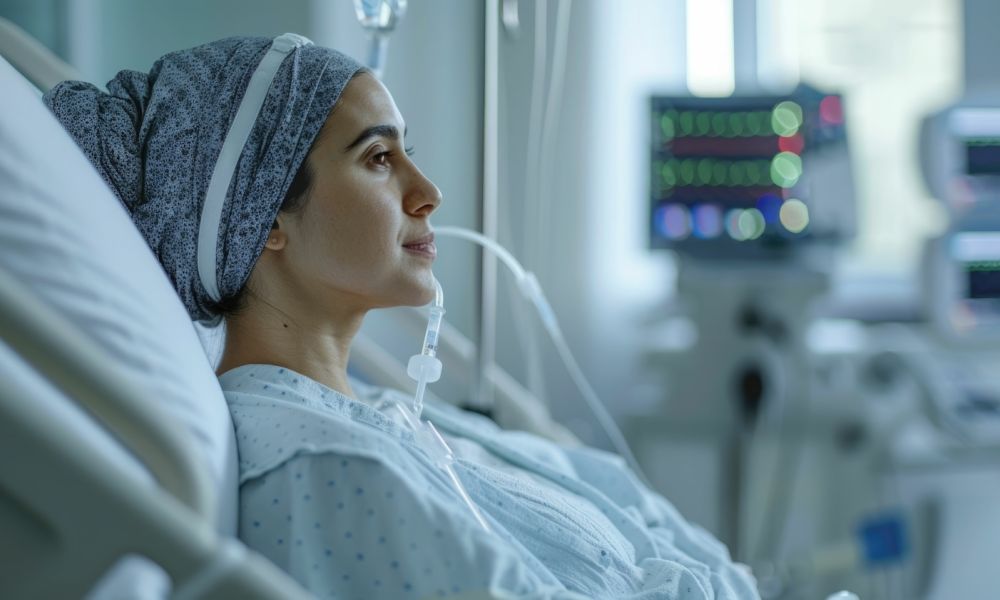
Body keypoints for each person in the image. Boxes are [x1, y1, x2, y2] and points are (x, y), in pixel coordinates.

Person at [44, 34, 759, 599]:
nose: (429, 192)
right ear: (263, 218)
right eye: (379, 158)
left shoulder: (385, 415)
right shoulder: (325, 470)